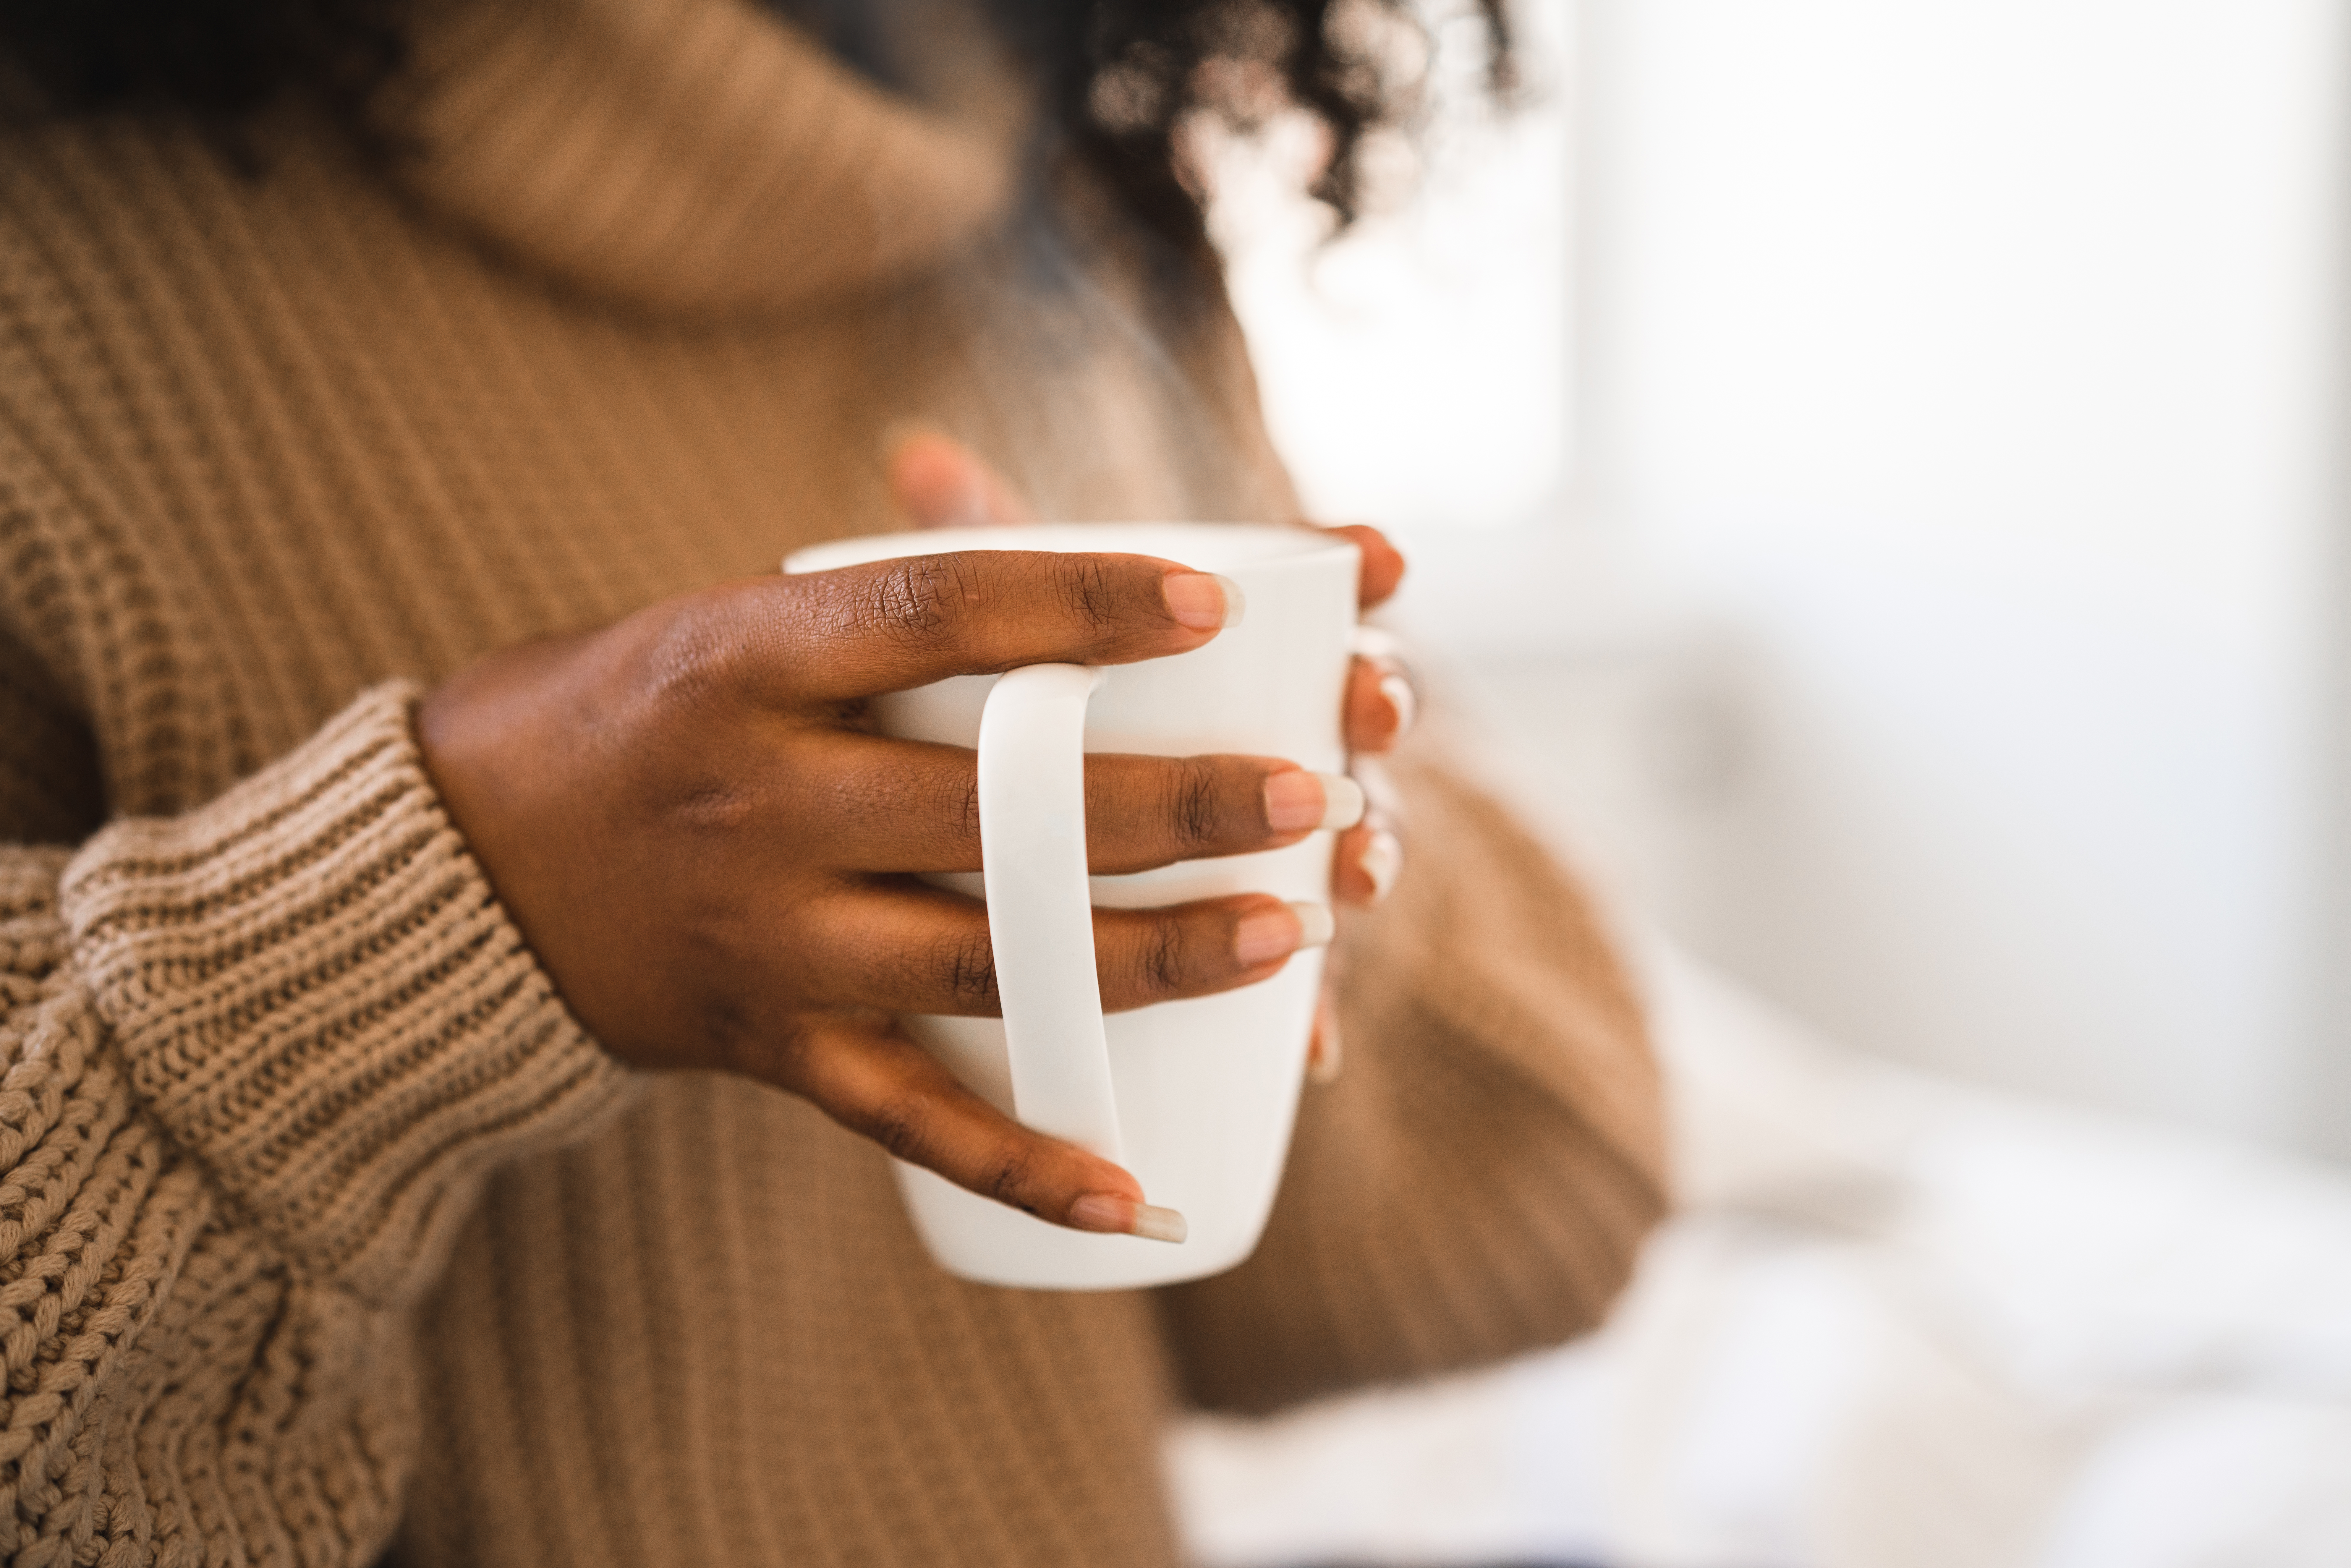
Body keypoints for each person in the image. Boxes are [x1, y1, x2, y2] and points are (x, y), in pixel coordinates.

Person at [0, 0, 1668, 1562]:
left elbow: (1551, 1200)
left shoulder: (1082, 207)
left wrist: (1245, 859)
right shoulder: (59, 263)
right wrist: (442, 903)